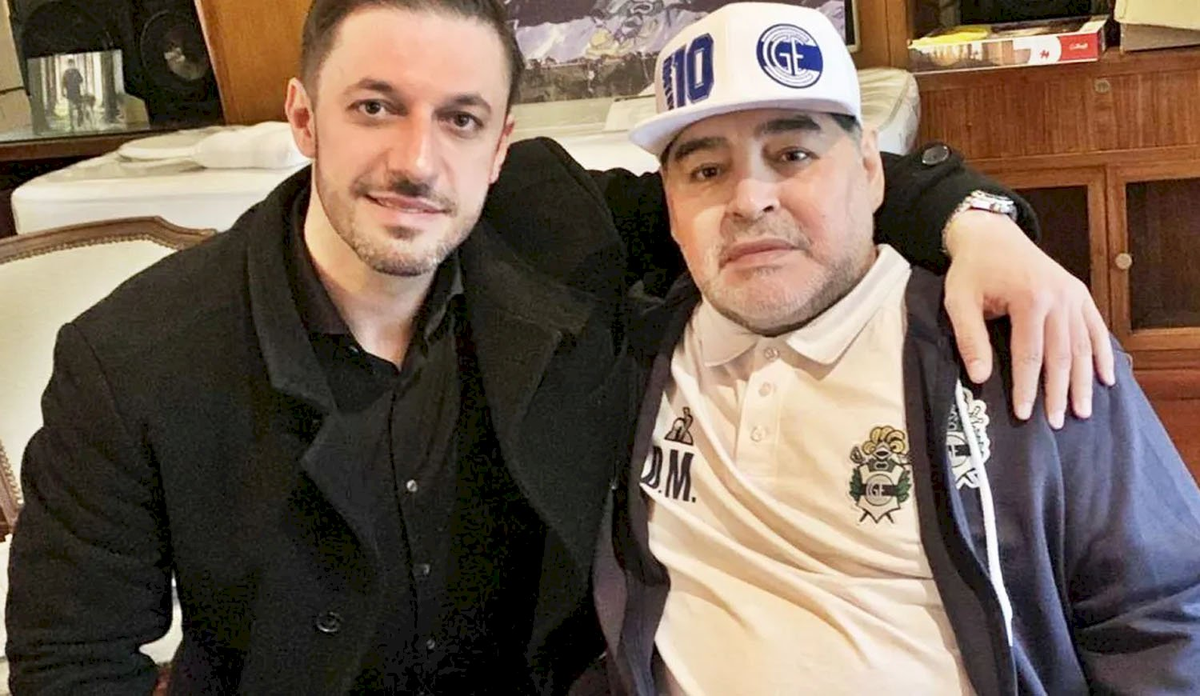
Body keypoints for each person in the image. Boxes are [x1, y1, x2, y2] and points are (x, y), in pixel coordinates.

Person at [6, 0, 1111, 693]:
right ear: (303, 119)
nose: (417, 161)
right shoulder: (132, 355)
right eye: (375, 107)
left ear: (502, 145)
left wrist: (981, 225)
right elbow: (71, 663)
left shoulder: (550, 220)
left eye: (459, 119)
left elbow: (781, 184)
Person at [593, 4, 1200, 694]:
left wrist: (980, 217)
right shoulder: (630, 358)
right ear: (669, 207)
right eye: (706, 171)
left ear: (871, 171)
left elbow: (1165, 615)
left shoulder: (1020, 343)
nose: (749, 199)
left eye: (792, 155)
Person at [61, 59, 86, 131]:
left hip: (77, 93)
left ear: (74, 64)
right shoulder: (66, 73)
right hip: (70, 94)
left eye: (72, 64)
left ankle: (80, 121)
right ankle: (71, 125)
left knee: (79, 108)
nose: (71, 65)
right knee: (70, 110)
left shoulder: (76, 72)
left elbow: (81, 80)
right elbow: (63, 83)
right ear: (68, 65)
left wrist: (83, 89)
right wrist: (63, 92)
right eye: (69, 64)